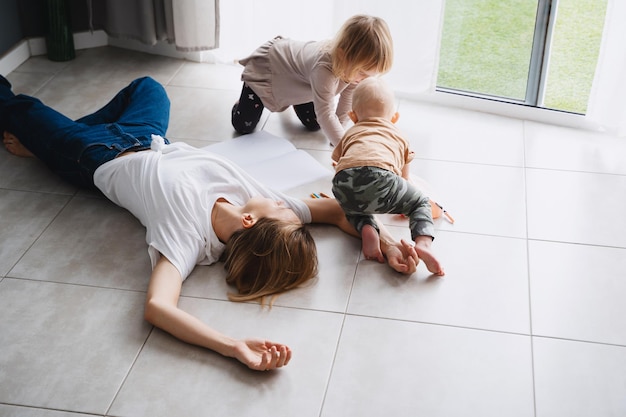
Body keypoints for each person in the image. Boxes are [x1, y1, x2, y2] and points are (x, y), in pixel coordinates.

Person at [1, 75, 419, 371]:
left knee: (21, 108)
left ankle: (49, 144)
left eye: (286, 211)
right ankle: (46, 141)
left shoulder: (187, 239)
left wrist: (232, 345)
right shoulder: (260, 207)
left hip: (91, 154)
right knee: (148, 87)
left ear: (252, 221)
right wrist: (385, 239)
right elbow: (332, 210)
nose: (291, 205)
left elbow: (158, 307)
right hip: (146, 136)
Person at [331, 77, 445, 276]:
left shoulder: (350, 132)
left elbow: (339, 161)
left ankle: (367, 227)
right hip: (381, 178)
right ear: (394, 118)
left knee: (352, 207)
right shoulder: (398, 134)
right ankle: (423, 243)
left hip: (342, 182)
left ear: (353, 116)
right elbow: (404, 177)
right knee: (419, 202)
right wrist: (404, 197)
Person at [231, 14, 394, 146]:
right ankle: (243, 100)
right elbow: (326, 114)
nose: (364, 80)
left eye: (370, 76)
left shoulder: (352, 69)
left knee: (313, 125)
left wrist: (339, 138)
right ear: (344, 55)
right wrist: (346, 149)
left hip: (301, 82)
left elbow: (346, 100)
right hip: (271, 68)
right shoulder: (324, 69)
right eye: (363, 73)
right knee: (243, 126)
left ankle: (295, 98)